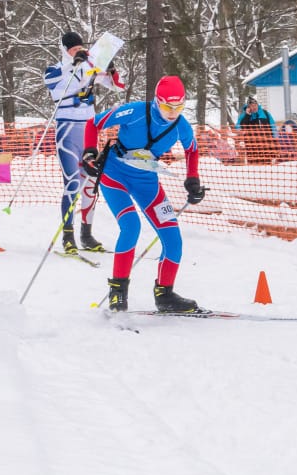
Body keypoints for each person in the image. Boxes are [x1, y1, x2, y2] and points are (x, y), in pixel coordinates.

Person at [84, 75, 207, 313]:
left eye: (179, 107)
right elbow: (93, 123)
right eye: (167, 106)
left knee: (173, 238)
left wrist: (192, 179)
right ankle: (118, 292)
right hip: (114, 174)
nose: (173, 112)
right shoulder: (135, 111)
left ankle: (165, 295)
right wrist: (89, 153)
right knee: (131, 226)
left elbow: (192, 149)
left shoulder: (181, 125)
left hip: (146, 181)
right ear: (156, 101)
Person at [45, 31, 124, 255]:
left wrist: (111, 69)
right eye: (72, 49)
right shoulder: (56, 69)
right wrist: (73, 64)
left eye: (80, 47)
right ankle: (68, 237)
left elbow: (118, 85)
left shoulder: (89, 68)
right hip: (67, 131)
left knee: (91, 184)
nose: (77, 51)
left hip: (89, 131)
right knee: (72, 183)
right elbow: (50, 82)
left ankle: (86, 235)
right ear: (64, 51)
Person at [237, 96, 278, 164]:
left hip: (266, 146)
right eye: (252, 106)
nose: (254, 107)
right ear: (248, 107)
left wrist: (275, 141)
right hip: (252, 148)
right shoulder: (244, 116)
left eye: (255, 105)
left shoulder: (265, 114)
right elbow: (240, 128)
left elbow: (273, 128)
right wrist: (247, 115)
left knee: (267, 166)